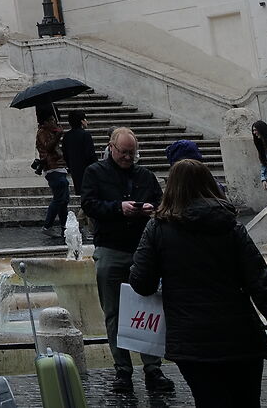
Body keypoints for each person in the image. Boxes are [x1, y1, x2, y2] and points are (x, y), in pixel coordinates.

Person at [127, 158, 267, 408]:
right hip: (240, 338)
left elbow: (141, 283)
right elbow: (263, 286)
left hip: (191, 341)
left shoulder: (158, 229)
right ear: (210, 185)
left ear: (171, 188)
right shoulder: (231, 227)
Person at [83, 127, 174, 397]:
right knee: (113, 313)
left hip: (143, 250)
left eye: (132, 153)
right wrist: (117, 208)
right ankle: (122, 369)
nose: (127, 157)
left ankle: (153, 368)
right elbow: (89, 204)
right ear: (111, 147)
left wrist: (151, 209)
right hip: (110, 248)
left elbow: (162, 204)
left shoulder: (145, 175)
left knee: (149, 309)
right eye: (123, 152)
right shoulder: (95, 172)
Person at [36, 110, 71, 237]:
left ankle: (64, 226)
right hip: (52, 168)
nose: (54, 122)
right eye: (51, 120)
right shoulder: (42, 132)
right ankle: (47, 225)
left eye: (54, 119)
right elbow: (48, 148)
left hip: (59, 167)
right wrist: (58, 136)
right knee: (59, 199)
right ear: (44, 122)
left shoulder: (50, 132)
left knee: (64, 200)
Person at [62, 111, 98, 189]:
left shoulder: (67, 136)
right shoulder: (86, 135)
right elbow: (90, 154)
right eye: (85, 119)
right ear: (81, 121)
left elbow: (65, 155)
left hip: (75, 169)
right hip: (88, 170)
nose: (86, 121)